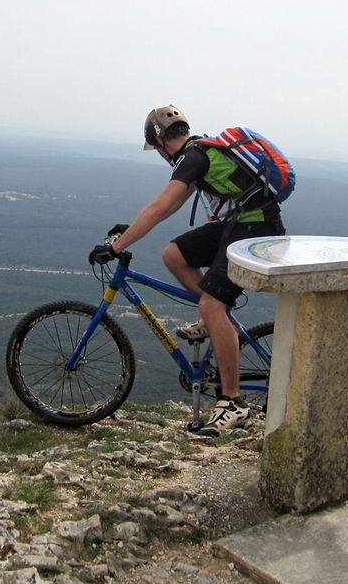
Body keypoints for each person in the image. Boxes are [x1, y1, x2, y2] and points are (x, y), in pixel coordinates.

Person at [88, 105, 286, 436]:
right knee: (174, 255)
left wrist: (115, 247)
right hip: (237, 226)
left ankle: (233, 403)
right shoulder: (201, 151)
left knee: (211, 303)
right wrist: (131, 229)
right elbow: (170, 205)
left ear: (160, 140)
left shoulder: (194, 157)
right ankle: (216, 321)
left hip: (256, 229)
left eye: (156, 148)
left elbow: (160, 208)